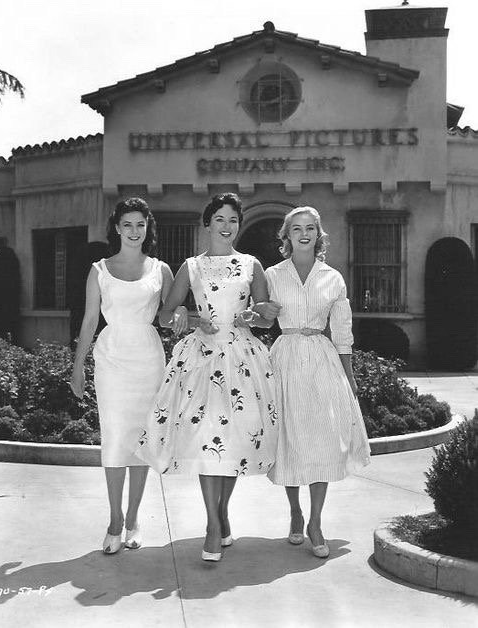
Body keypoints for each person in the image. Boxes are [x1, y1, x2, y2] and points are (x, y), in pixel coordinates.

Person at [135, 192, 278, 562]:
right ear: (208, 223)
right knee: (205, 441)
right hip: (201, 360)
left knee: (230, 443)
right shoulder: (191, 267)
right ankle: (213, 525)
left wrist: (256, 317)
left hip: (242, 361)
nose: (227, 226)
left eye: (233, 219)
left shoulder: (252, 265)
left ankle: (222, 511)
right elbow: (166, 316)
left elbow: (266, 317)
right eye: (220, 219)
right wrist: (188, 316)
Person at [256, 206, 370, 558]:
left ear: (318, 235)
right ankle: (294, 511)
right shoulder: (272, 275)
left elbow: (343, 332)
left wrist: (349, 377)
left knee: (321, 440)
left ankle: (315, 521)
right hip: (285, 357)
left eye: (310, 228)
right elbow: (256, 319)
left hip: (322, 360)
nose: (303, 234)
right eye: (296, 229)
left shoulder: (333, 278)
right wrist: (261, 313)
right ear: (286, 237)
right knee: (289, 440)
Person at [70, 197, 173, 554]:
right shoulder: (99, 270)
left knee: (141, 440)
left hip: (148, 359)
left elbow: (167, 316)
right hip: (111, 359)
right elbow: (88, 322)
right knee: (114, 437)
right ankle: (114, 520)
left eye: (140, 225)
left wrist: (185, 314)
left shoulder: (161, 270)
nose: (134, 231)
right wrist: (77, 367)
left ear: (148, 229)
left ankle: (133, 519)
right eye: (127, 224)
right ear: (116, 228)